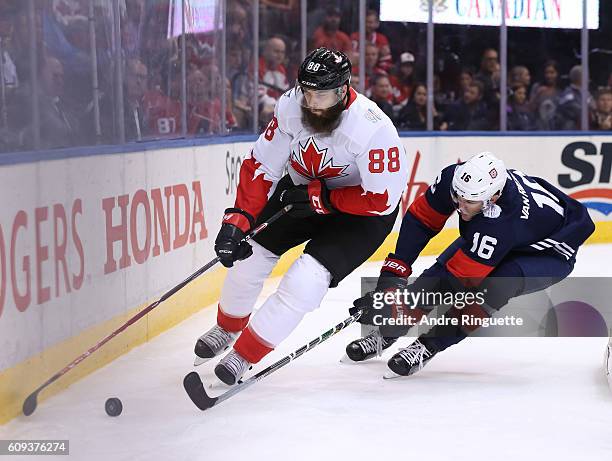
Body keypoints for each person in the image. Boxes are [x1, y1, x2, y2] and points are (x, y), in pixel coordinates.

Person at [193, 47, 408, 385]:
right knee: (247, 257)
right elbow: (261, 164)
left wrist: (326, 200)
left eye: (320, 95)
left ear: (342, 90)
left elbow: (382, 198)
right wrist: (238, 217)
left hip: (359, 214)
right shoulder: (292, 105)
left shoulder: (372, 128)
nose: (310, 103)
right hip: (302, 192)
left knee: (305, 281)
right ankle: (228, 326)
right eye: (306, 92)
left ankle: (244, 355)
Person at [344, 152, 595, 377]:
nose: (460, 206)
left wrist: (392, 305)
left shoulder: (501, 222)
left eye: (469, 202)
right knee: (437, 274)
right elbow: (421, 220)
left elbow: (451, 282)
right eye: (457, 198)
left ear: (493, 197)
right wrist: (392, 277)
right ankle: (389, 334)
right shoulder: (456, 179)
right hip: (513, 233)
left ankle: (428, 346)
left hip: (547, 255)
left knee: (491, 290)